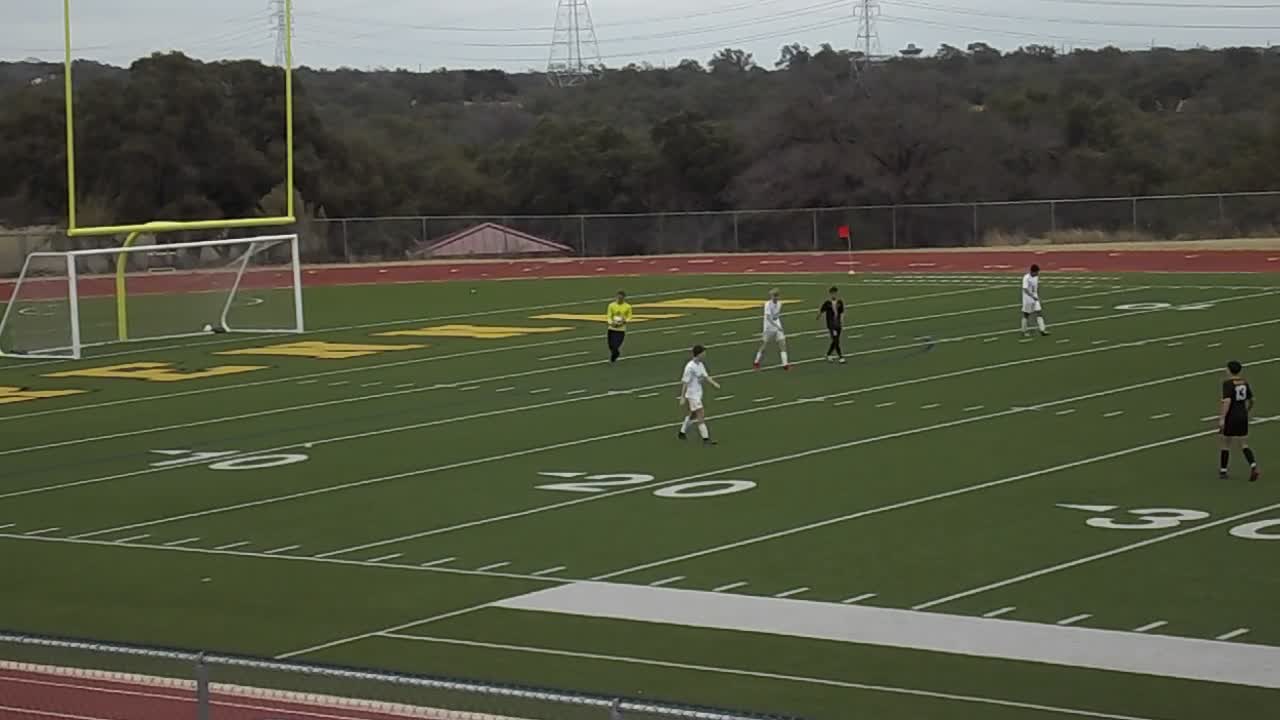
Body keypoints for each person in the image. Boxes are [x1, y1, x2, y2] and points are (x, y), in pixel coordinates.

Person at [1219, 360, 1261, 481]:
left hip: (1231, 416)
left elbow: (1227, 401)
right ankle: (1253, 465)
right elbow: (1252, 399)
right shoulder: (1244, 383)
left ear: (1230, 370)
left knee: (1226, 443)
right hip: (1242, 415)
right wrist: (1247, 410)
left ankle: (1223, 471)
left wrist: (1222, 418)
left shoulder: (1227, 383)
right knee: (1243, 444)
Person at [679, 344, 721, 445]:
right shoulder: (689, 367)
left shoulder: (700, 365)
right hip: (692, 395)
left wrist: (714, 383)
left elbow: (706, 376)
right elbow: (685, 382)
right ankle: (706, 438)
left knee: (692, 414)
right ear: (699, 354)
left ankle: (682, 432)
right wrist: (682, 397)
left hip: (698, 393)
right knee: (700, 414)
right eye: (703, 352)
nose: (705, 354)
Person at [753, 288, 790, 370]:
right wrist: (777, 326)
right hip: (768, 327)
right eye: (773, 296)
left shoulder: (780, 304)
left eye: (776, 296)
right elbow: (768, 318)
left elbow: (776, 316)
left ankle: (785, 364)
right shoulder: (767, 304)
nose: (775, 298)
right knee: (764, 344)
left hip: (777, 326)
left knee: (782, 344)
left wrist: (778, 326)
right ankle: (756, 361)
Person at [817, 286, 846, 363]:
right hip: (831, 325)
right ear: (830, 294)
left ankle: (828, 354)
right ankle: (841, 356)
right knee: (836, 340)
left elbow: (842, 312)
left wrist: (841, 321)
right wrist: (818, 316)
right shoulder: (827, 303)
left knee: (835, 340)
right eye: (832, 293)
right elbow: (821, 310)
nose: (834, 295)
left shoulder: (840, 302)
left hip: (838, 324)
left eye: (835, 293)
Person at [1021, 264, 1049, 337]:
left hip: (1035, 298)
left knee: (1039, 312)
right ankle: (1024, 331)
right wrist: (1032, 296)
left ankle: (1042, 330)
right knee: (1026, 314)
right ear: (1033, 272)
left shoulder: (1036, 277)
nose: (1037, 273)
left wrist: (1036, 296)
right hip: (1027, 299)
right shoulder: (1026, 278)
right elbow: (1025, 289)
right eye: (1036, 272)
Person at [605, 290, 632, 363]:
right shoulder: (611, 305)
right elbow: (609, 316)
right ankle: (615, 354)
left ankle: (614, 356)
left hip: (621, 330)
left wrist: (624, 322)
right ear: (616, 297)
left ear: (624, 298)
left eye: (621, 298)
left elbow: (629, 317)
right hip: (611, 329)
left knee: (616, 346)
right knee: (610, 346)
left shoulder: (628, 307)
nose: (619, 299)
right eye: (618, 298)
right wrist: (611, 323)